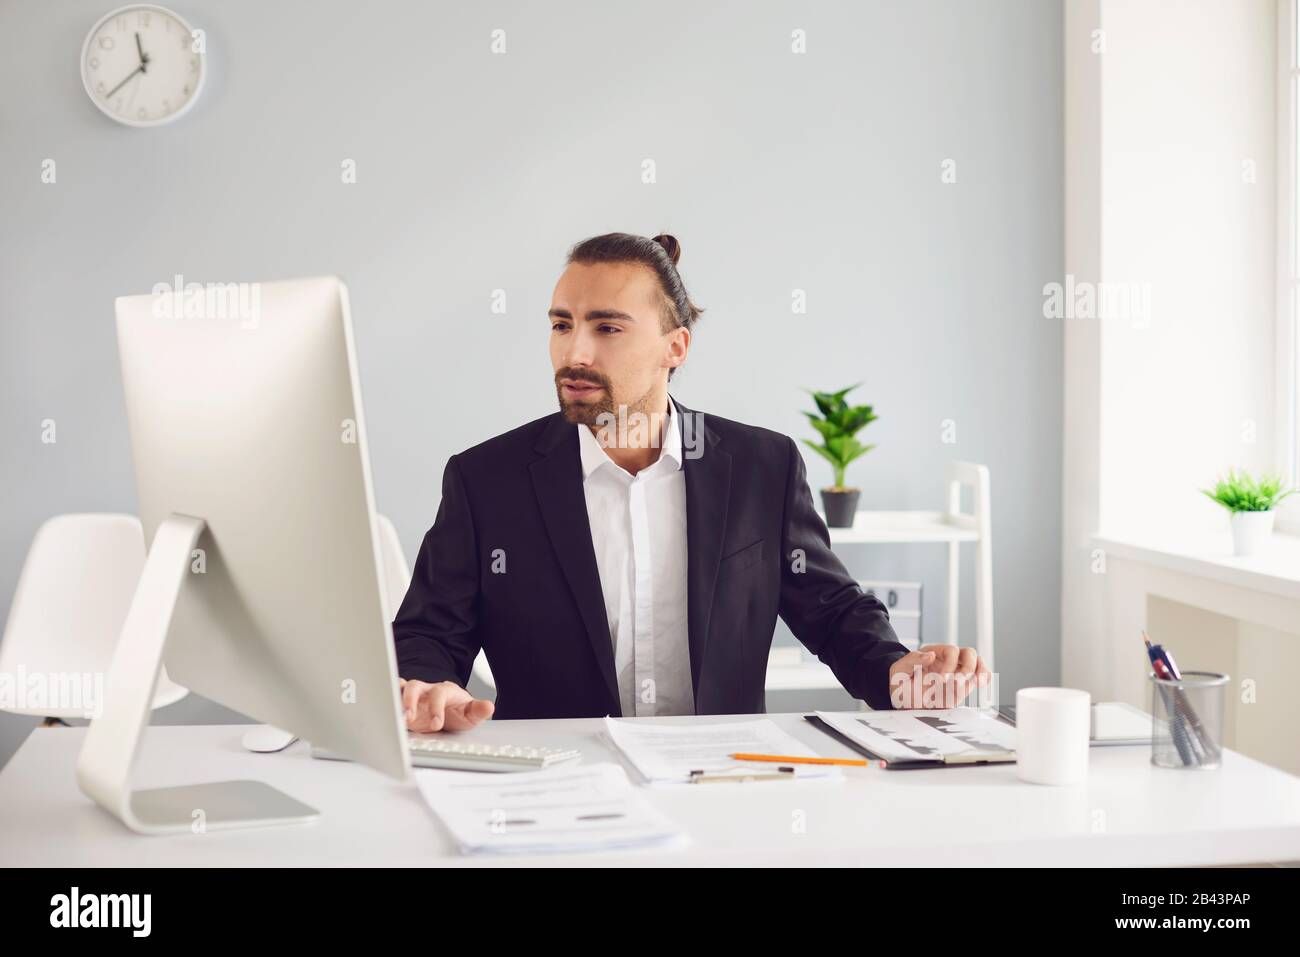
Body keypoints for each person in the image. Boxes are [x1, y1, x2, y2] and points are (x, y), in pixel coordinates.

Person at [394, 232, 989, 732]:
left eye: (607, 329)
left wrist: (897, 670)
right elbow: (428, 631)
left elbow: (831, 611)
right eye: (561, 324)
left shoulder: (764, 467)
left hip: (722, 782)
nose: (574, 351)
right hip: (558, 785)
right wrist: (429, 687)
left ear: (674, 348)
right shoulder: (486, 479)